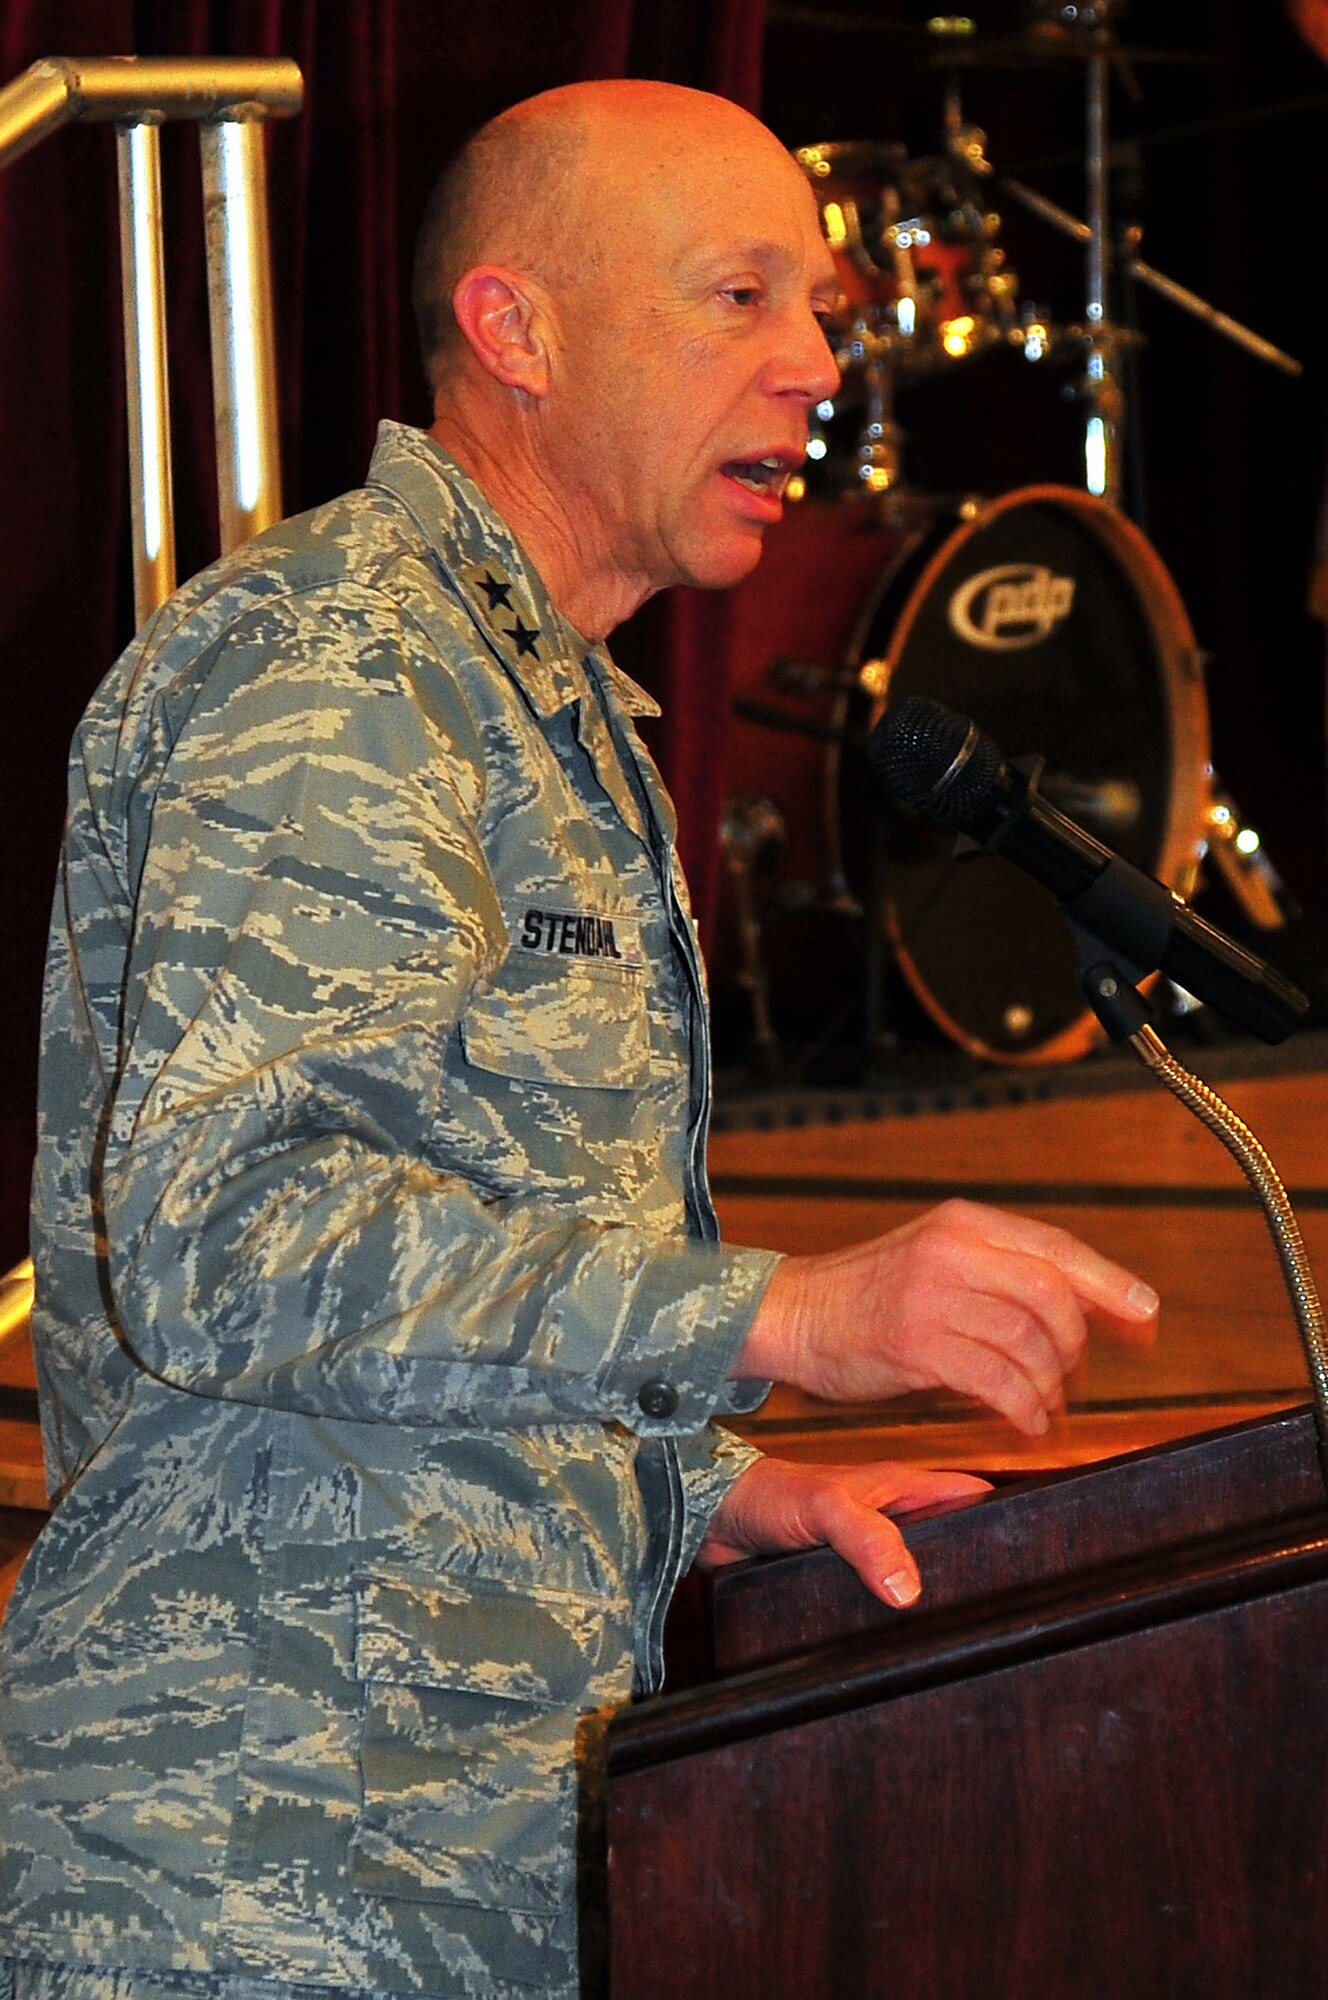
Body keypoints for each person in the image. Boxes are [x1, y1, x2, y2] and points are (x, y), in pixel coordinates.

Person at [0, 79, 1158, 2000]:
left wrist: (698, 1483)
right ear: (515, 328)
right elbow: (226, 1240)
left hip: (461, 1852)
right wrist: (769, 1317)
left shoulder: (546, 699)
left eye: (827, 316)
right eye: (738, 299)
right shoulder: (336, 669)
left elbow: (431, 1285)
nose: (812, 368)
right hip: (253, 1875)